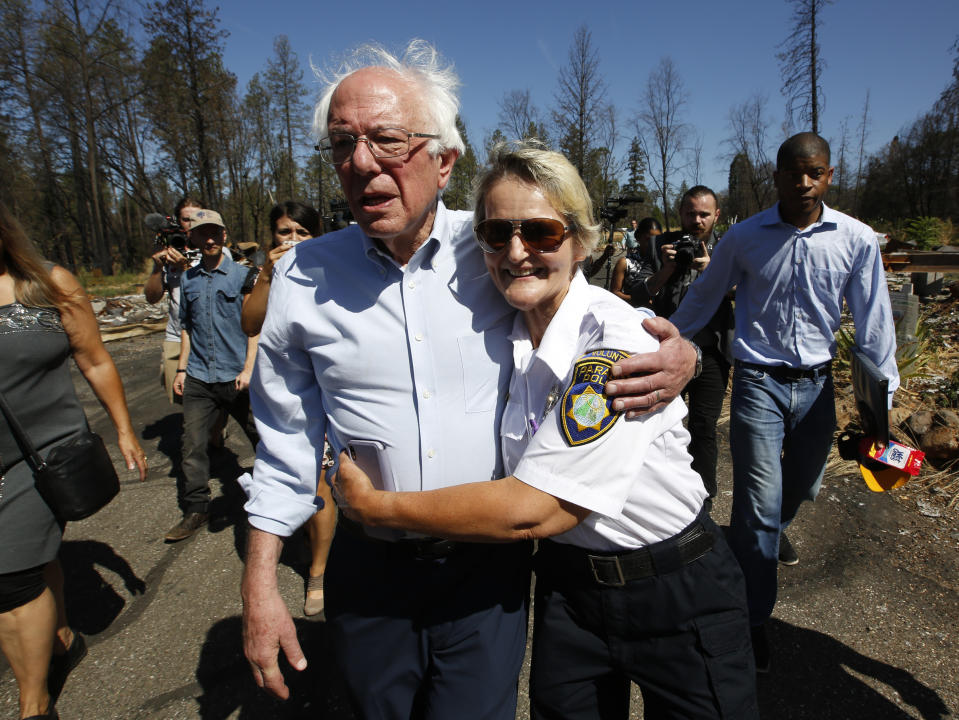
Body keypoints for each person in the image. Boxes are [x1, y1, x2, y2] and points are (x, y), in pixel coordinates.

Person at [241, 40, 697, 718]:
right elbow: (285, 442)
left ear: (444, 160)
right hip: (370, 573)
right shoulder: (304, 277)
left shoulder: (492, 245)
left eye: (387, 141)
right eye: (341, 146)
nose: (360, 164)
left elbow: (581, 302)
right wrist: (259, 584)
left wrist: (673, 348)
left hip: (486, 572)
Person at [333, 142, 758, 719]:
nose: (516, 252)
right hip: (570, 595)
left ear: (580, 241)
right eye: (496, 233)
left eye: (540, 233)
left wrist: (377, 510)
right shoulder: (501, 330)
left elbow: (537, 510)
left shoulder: (614, 342)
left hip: (675, 590)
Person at [669, 132, 900, 672]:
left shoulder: (856, 239)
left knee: (803, 487)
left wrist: (880, 403)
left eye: (813, 172)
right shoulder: (745, 239)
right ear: (774, 177)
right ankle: (752, 623)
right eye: (792, 172)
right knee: (757, 504)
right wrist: (666, 342)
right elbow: (704, 296)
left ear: (829, 175)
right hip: (758, 385)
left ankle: (769, 532)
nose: (803, 182)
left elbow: (873, 319)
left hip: (819, 387)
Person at [0, 202, 147, 720]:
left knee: (9, 579)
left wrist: (125, 430)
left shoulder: (48, 284)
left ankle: (34, 704)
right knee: (35, 557)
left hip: (42, 455)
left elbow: (95, 357)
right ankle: (62, 636)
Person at [240, 201, 335, 618]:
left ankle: (319, 569)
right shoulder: (267, 273)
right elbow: (250, 323)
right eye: (283, 231)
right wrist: (267, 274)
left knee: (325, 483)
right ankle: (319, 561)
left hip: (330, 385)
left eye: (301, 231)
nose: (291, 239)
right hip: (290, 391)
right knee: (310, 476)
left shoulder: (330, 268)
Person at [633, 187, 735, 503]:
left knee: (704, 427)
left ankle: (703, 497)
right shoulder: (658, 245)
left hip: (712, 352)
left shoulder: (729, 248)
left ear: (716, 215)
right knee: (657, 422)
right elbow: (636, 294)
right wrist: (666, 269)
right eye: (690, 213)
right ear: (680, 213)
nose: (697, 220)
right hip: (664, 349)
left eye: (704, 214)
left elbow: (746, 293)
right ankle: (655, 496)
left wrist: (711, 271)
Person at [165, 209, 259, 542]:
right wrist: (181, 368)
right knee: (192, 445)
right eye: (201, 234)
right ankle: (196, 509)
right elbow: (186, 328)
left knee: (263, 439)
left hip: (237, 375)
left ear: (224, 236)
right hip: (199, 376)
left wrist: (249, 368)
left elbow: (253, 328)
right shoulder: (187, 279)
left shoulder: (244, 275)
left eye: (214, 233)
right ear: (192, 237)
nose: (208, 240)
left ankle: (274, 497)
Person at [143, 197, 202, 405]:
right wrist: (159, 268)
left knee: (213, 409)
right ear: (178, 222)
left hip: (207, 338)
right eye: (186, 219)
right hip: (176, 336)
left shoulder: (214, 250)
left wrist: (186, 267)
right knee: (182, 400)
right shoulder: (169, 253)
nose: (192, 224)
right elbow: (152, 297)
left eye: (197, 218)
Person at [609, 217, 661, 305]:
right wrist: (638, 300)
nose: (653, 244)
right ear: (638, 237)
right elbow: (615, 293)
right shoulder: (625, 263)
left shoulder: (665, 262)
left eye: (657, 239)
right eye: (648, 239)